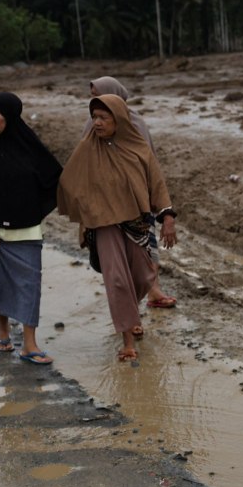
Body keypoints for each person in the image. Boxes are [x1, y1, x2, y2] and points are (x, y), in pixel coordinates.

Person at [57, 94, 178, 362]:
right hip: (104, 225)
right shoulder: (87, 148)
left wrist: (167, 217)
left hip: (135, 223)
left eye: (103, 117)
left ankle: (128, 313)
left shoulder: (138, 147)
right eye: (94, 118)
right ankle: (127, 339)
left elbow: (156, 184)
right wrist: (90, 209)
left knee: (145, 276)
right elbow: (69, 183)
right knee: (117, 279)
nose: (97, 123)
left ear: (119, 118)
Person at [0, 92, 62, 365]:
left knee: (30, 286)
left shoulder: (29, 146)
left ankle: (29, 344)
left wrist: (34, 211)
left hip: (26, 232)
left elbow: (55, 178)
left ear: (10, 116)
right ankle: (3, 332)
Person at [88, 76, 177, 311]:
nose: (96, 101)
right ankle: (130, 314)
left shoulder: (136, 122)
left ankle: (151, 292)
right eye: (93, 97)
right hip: (108, 206)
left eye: (99, 94)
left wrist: (161, 204)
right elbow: (86, 165)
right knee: (118, 261)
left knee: (146, 253)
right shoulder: (93, 125)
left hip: (140, 201)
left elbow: (150, 161)